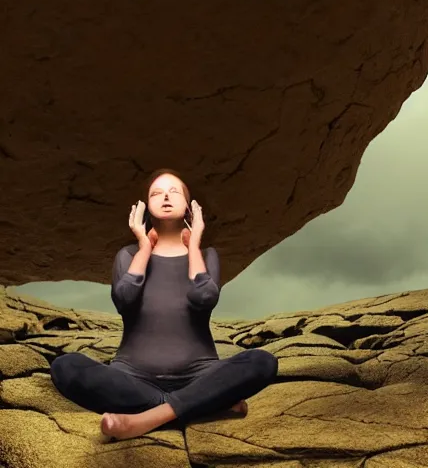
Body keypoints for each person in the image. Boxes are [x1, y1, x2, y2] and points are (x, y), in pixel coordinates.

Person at [49, 168, 279, 440]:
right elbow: (124, 301)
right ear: (145, 208)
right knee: (65, 366)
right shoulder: (129, 255)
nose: (166, 197)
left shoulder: (206, 255)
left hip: (201, 374)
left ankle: (148, 418)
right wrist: (144, 248)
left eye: (174, 192)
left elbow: (203, 298)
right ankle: (203, 404)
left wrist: (193, 245)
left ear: (190, 207)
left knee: (263, 362)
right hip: (133, 378)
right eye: (156, 193)